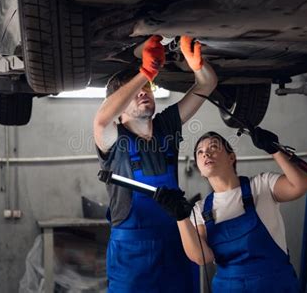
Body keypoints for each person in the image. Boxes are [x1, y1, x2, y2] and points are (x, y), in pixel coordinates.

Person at [93, 35, 218, 292]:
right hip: (132, 259)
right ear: (119, 106)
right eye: (135, 90)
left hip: (177, 244)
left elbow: (207, 83)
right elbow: (102, 120)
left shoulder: (166, 126)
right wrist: (144, 72)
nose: (143, 92)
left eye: (147, 87)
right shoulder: (114, 140)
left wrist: (197, 64)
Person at [154, 129, 307, 292]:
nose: (206, 154)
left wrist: (275, 150)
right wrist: (180, 218)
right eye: (200, 152)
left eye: (214, 147)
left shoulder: (261, 186)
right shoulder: (200, 210)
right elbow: (202, 257)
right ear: (200, 171)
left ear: (232, 157)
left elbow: (303, 184)